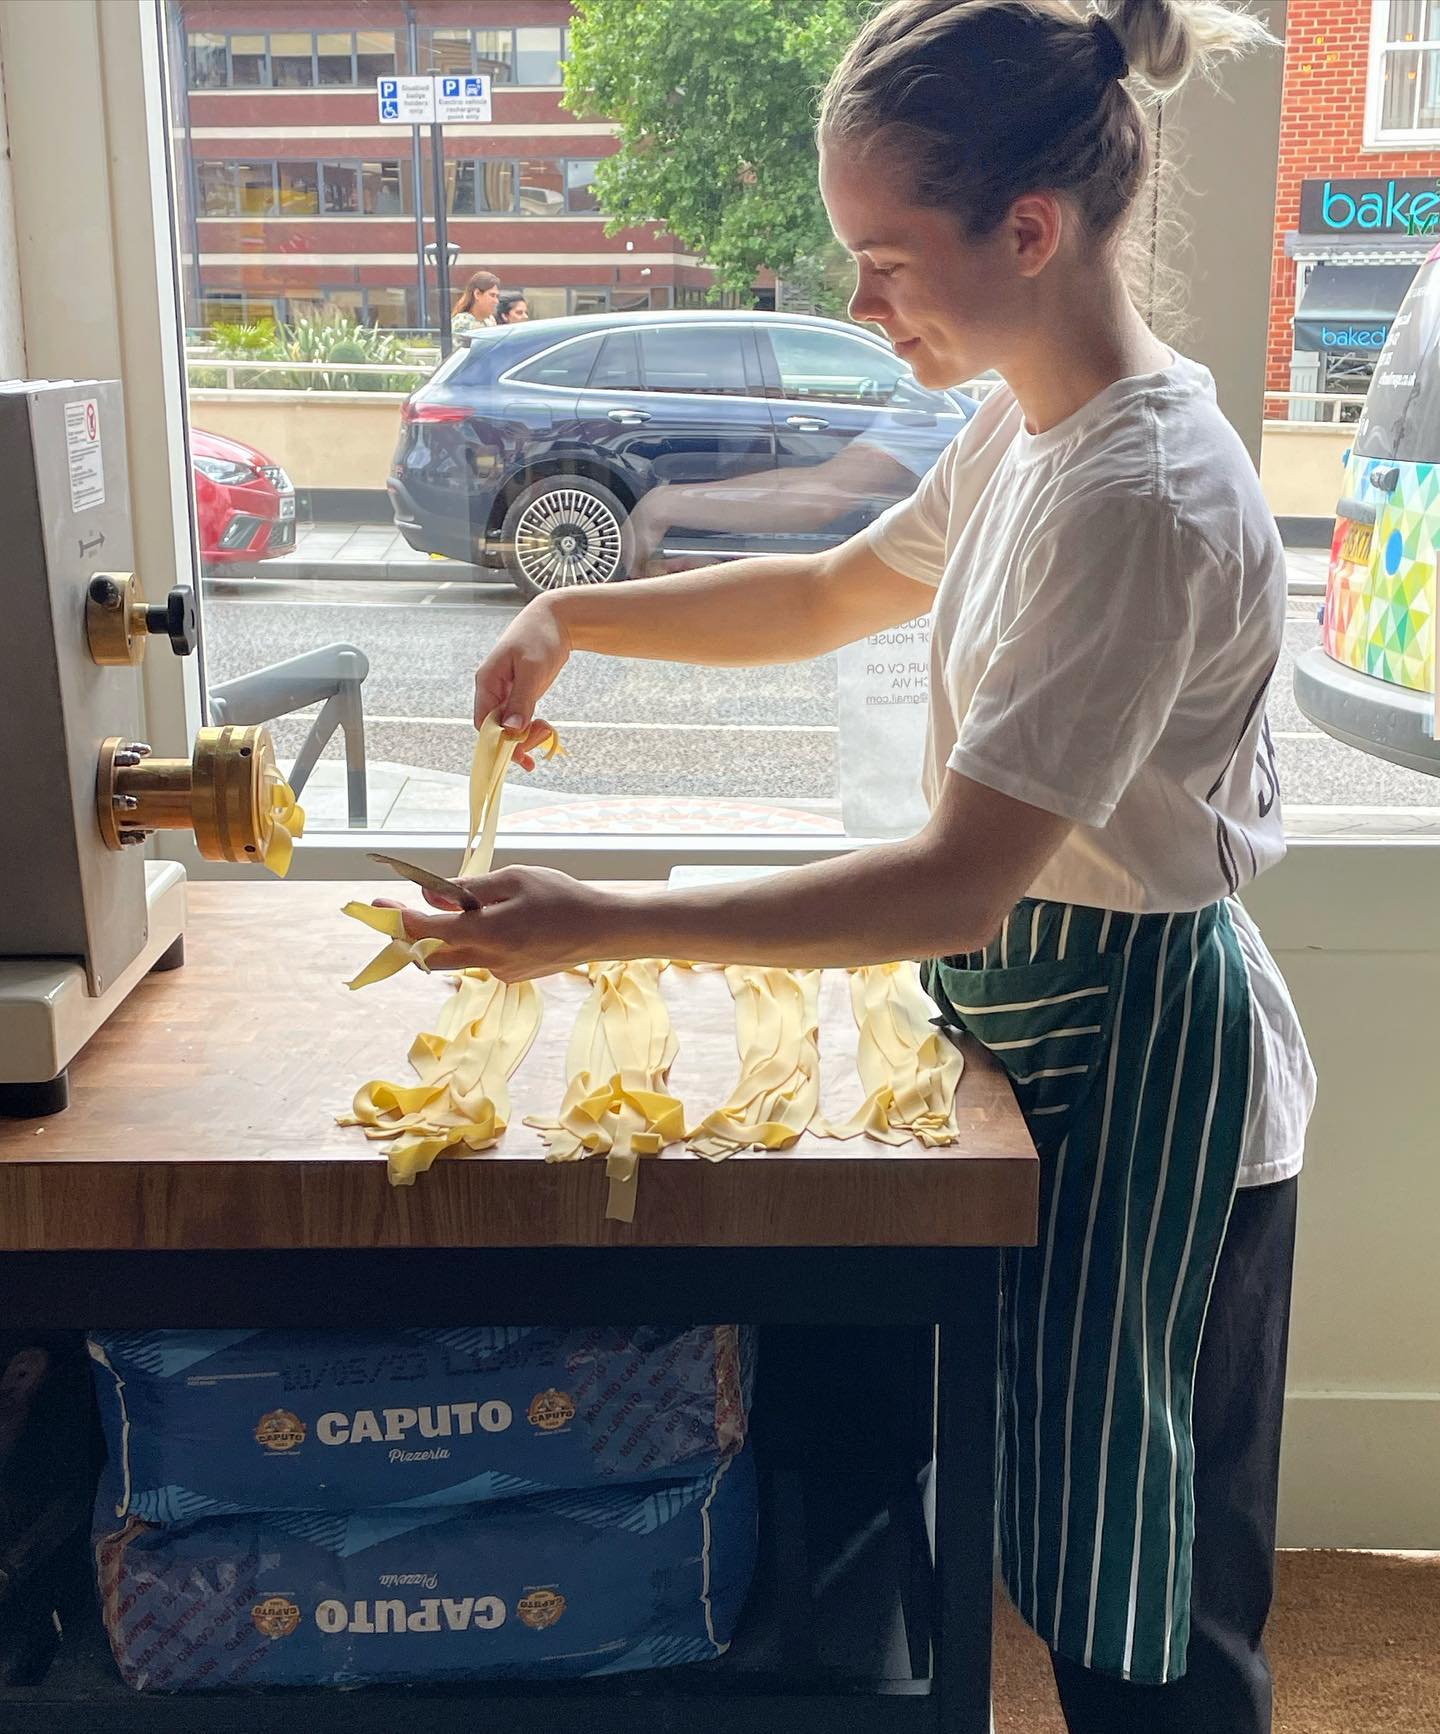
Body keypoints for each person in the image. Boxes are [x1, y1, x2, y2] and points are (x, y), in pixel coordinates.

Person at [380, 5, 1316, 1729]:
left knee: (1155, 1599)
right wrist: (570, 606)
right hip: (1039, 1045)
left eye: (886, 261)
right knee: (1043, 1526)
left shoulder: (1143, 494)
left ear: (1028, 231)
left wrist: (601, 922)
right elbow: (830, 595)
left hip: (1151, 1077)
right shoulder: (1027, 424)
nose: (862, 306)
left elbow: (954, 882)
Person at [451, 271, 501, 339]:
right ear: (477, 294)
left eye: (497, 296)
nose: (496, 301)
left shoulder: (490, 321)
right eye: (492, 295)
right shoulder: (462, 322)